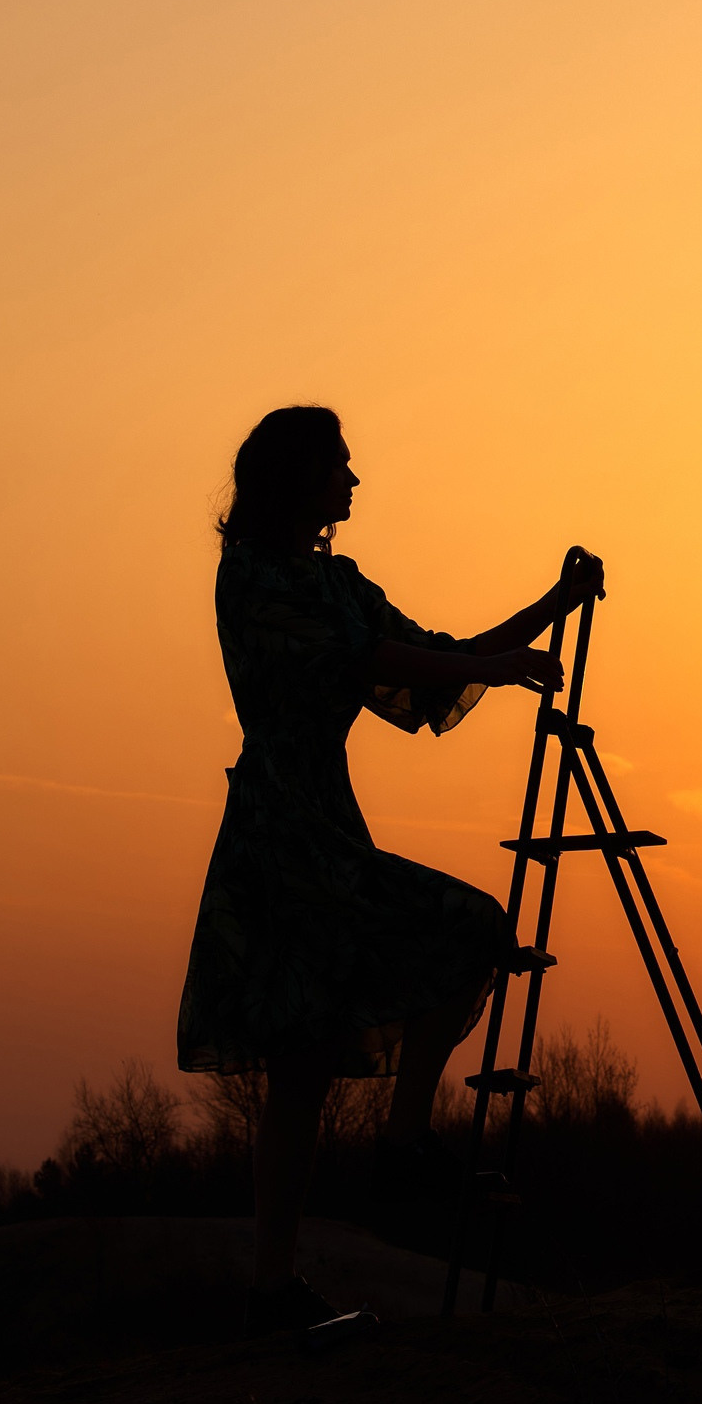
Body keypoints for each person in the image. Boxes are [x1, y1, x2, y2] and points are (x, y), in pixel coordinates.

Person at [176, 404, 602, 1336]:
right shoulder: (254, 580)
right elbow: (374, 659)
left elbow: (437, 660)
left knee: (425, 967)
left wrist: (548, 608)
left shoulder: (338, 584)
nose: (354, 481)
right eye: (340, 466)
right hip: (280, 839)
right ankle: (311, 1246)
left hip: (323, 829)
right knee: (310, 1055)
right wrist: (500, 658)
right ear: (299, 478)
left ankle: (365, 1185)